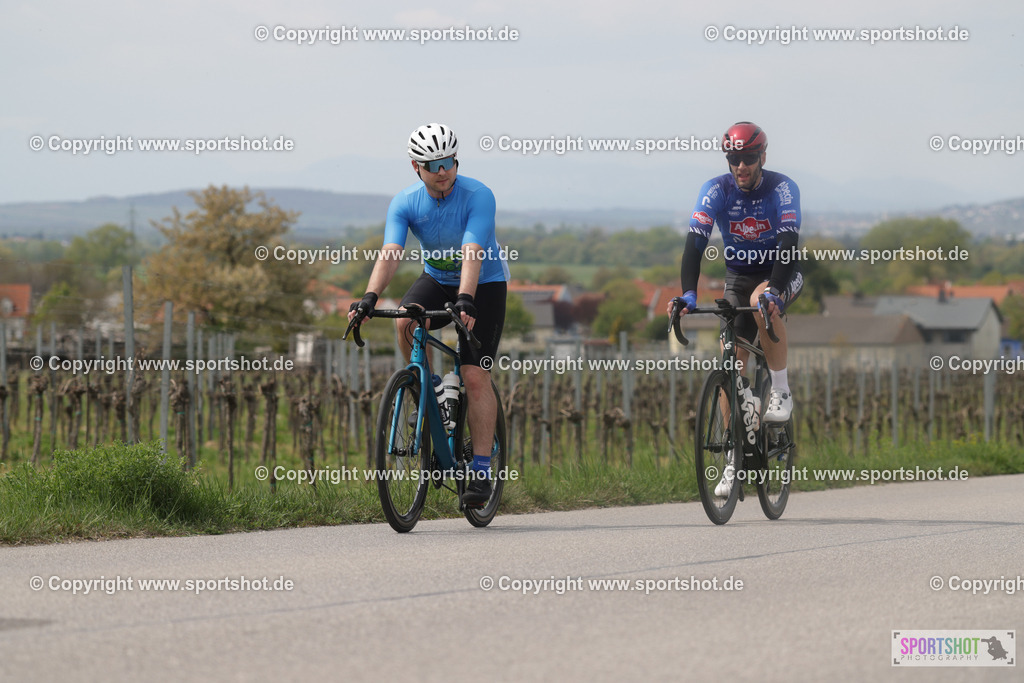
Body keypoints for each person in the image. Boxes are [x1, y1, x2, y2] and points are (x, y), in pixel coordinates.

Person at [348, 123, 509, 507]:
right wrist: (370, 297)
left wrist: (467, 299)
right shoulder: (405, 202)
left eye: (449, 161)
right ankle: (431, 390)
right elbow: (391, 252)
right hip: (436, 279)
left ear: (457, 161)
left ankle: (482, 471)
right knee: (406, 320)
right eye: (433, 164)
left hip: (483, 285)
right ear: (415, 167)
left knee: (473, 374)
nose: (442, 171)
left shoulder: (478, 195)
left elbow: (473, 250)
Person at [670, 121, 803, 496]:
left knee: (762, 302)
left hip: (780, 270)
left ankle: (780, 389)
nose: (740, 166)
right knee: (731, 360)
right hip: (738, 276)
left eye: (747, 158)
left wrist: (776, 289)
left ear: (762, 156)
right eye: (733, 159)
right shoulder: (715, 190)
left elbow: (789, 241)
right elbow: (695, 242)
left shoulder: (782, 187)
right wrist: (688, 294)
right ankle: (734, 458)